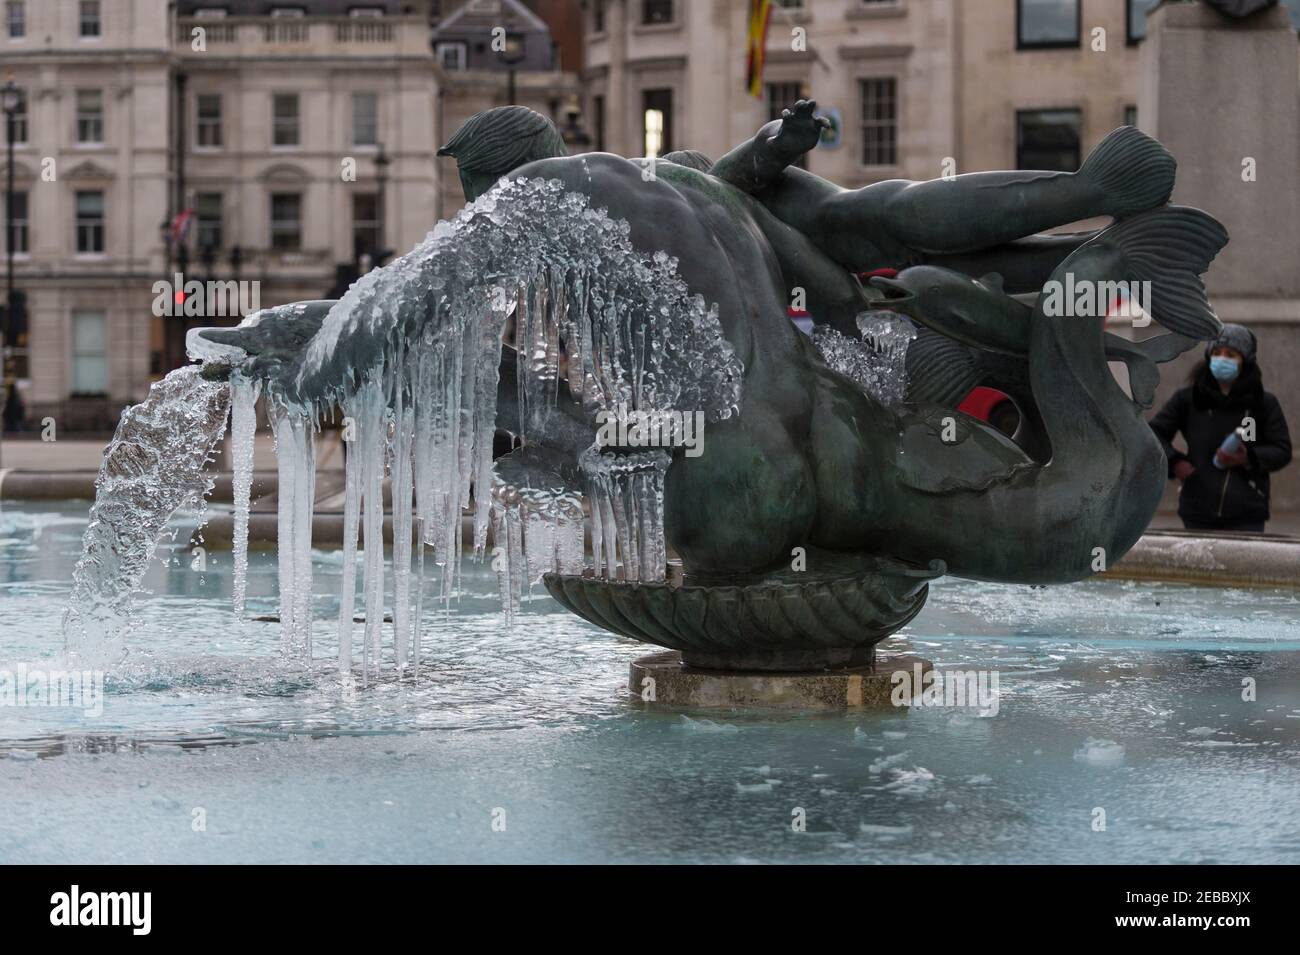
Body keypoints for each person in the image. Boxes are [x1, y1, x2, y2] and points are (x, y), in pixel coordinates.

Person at [1149, 324, 1292, 532]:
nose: (1222, 359)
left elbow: (1281, 449)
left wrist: (1248, 458)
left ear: (1246, 360)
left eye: (1231, 354)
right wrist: (1175, 461)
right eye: (1217, 353)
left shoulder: (1264, 403)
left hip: (1247, 514)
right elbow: (1154, 434)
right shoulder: (1188, 399)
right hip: (1197, 511)